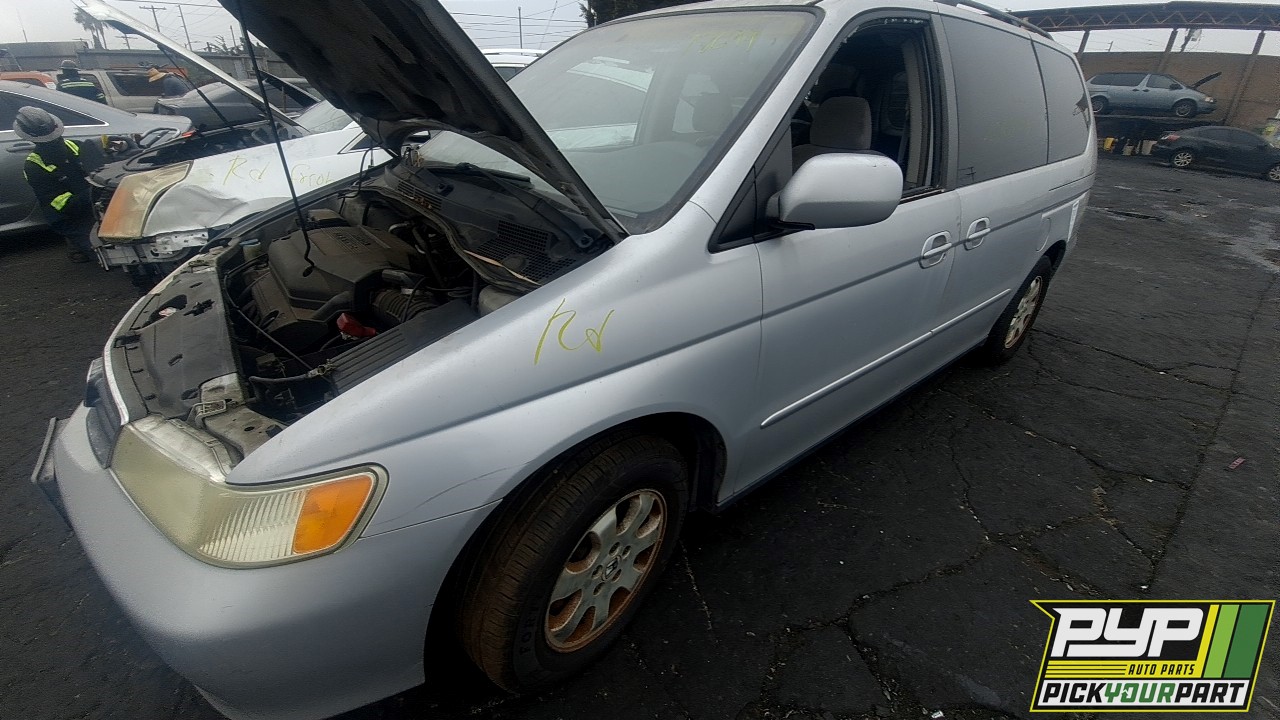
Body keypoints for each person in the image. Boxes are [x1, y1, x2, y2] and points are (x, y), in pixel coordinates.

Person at [15, 107, 96, 263]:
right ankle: (78, 246)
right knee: (107, 252)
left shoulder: (76, 146)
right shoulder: (34, 167)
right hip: (71, 217)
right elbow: (63, 205)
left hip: (94, 207)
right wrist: (95, 193)